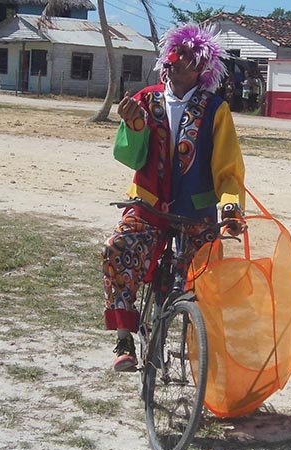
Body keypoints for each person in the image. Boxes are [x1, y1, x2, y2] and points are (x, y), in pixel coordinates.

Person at [104, 23, 246, 372]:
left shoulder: (215, 109)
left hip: (195, 213)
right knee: (118, 248)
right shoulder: (145, 100)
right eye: (175, 52)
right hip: (147, 206)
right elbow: (129, 157)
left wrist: (230, 204)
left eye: (186, 55)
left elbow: (227, 166)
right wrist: (133, 128)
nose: (176, 58)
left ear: (202, 68)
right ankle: (124, 336)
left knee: (208, 279)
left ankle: (203, 353)